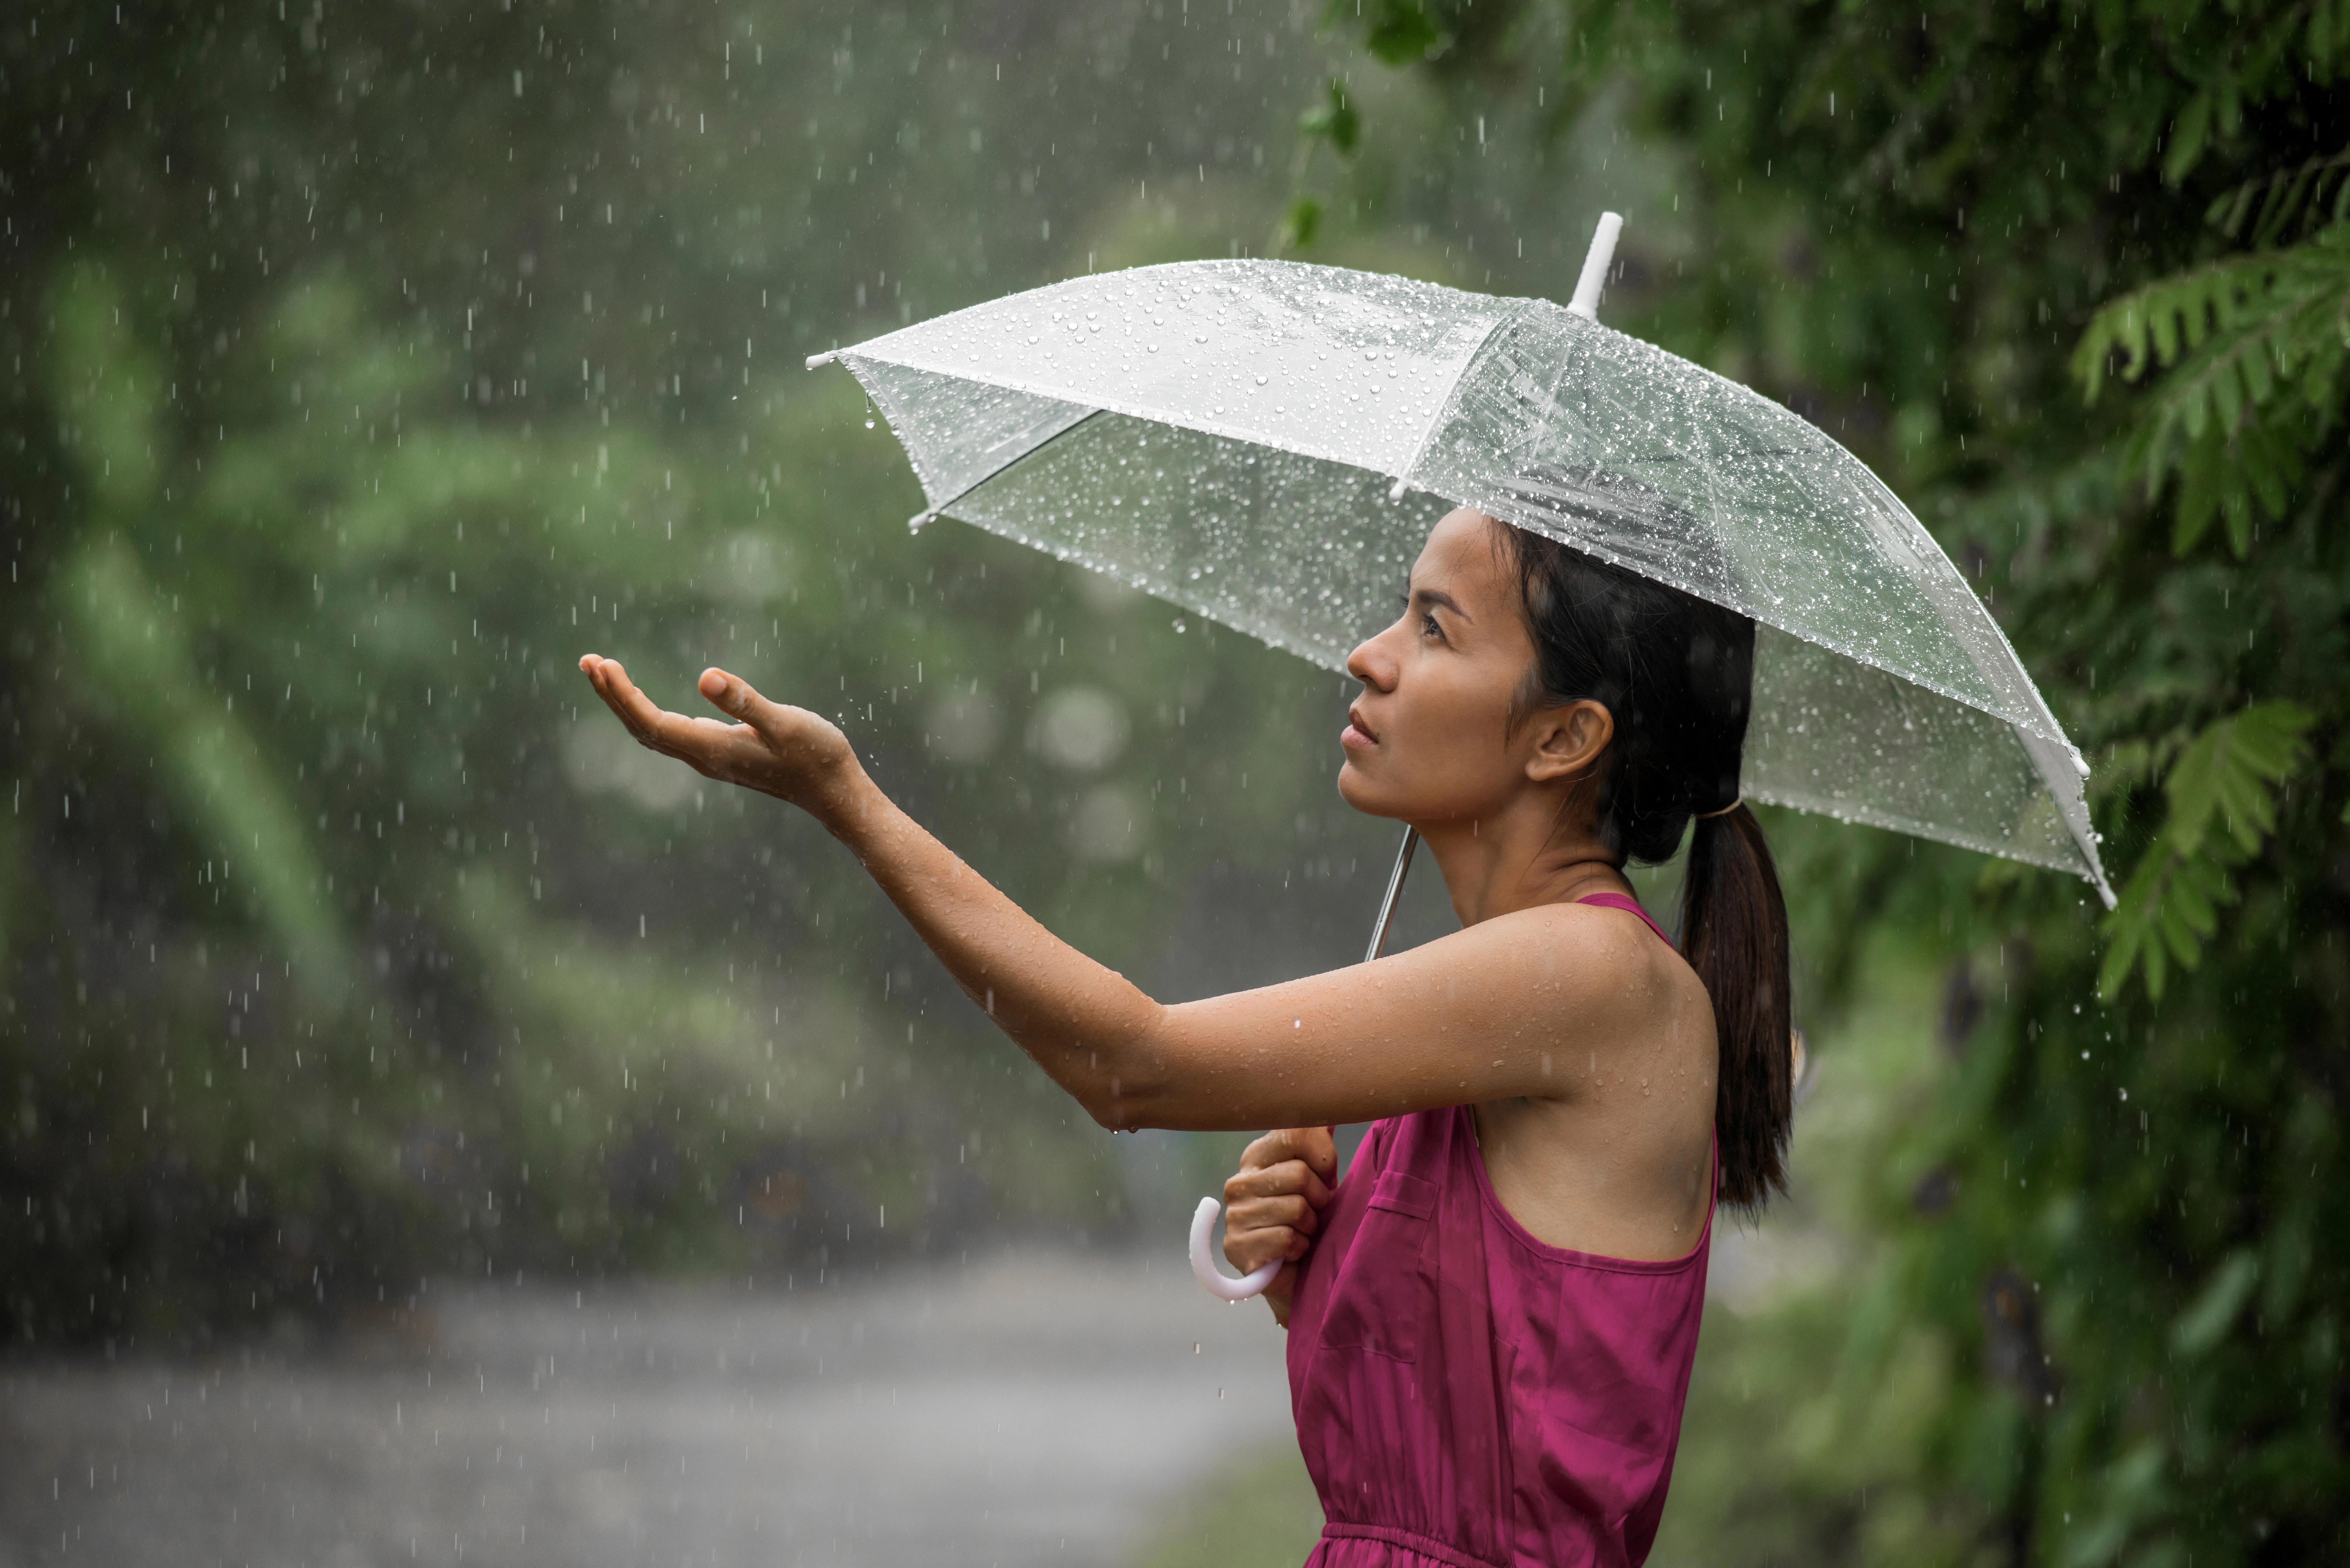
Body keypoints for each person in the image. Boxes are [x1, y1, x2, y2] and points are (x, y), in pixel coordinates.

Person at [576, 505, 1792, 1567]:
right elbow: (1478, 1419)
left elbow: (1131, 1065)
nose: (1367, 657)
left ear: (1563, 738)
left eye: (1435, 629)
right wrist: (1322, 1275)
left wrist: (847, 802)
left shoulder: (1583, 973)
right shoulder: (1509, 1015)